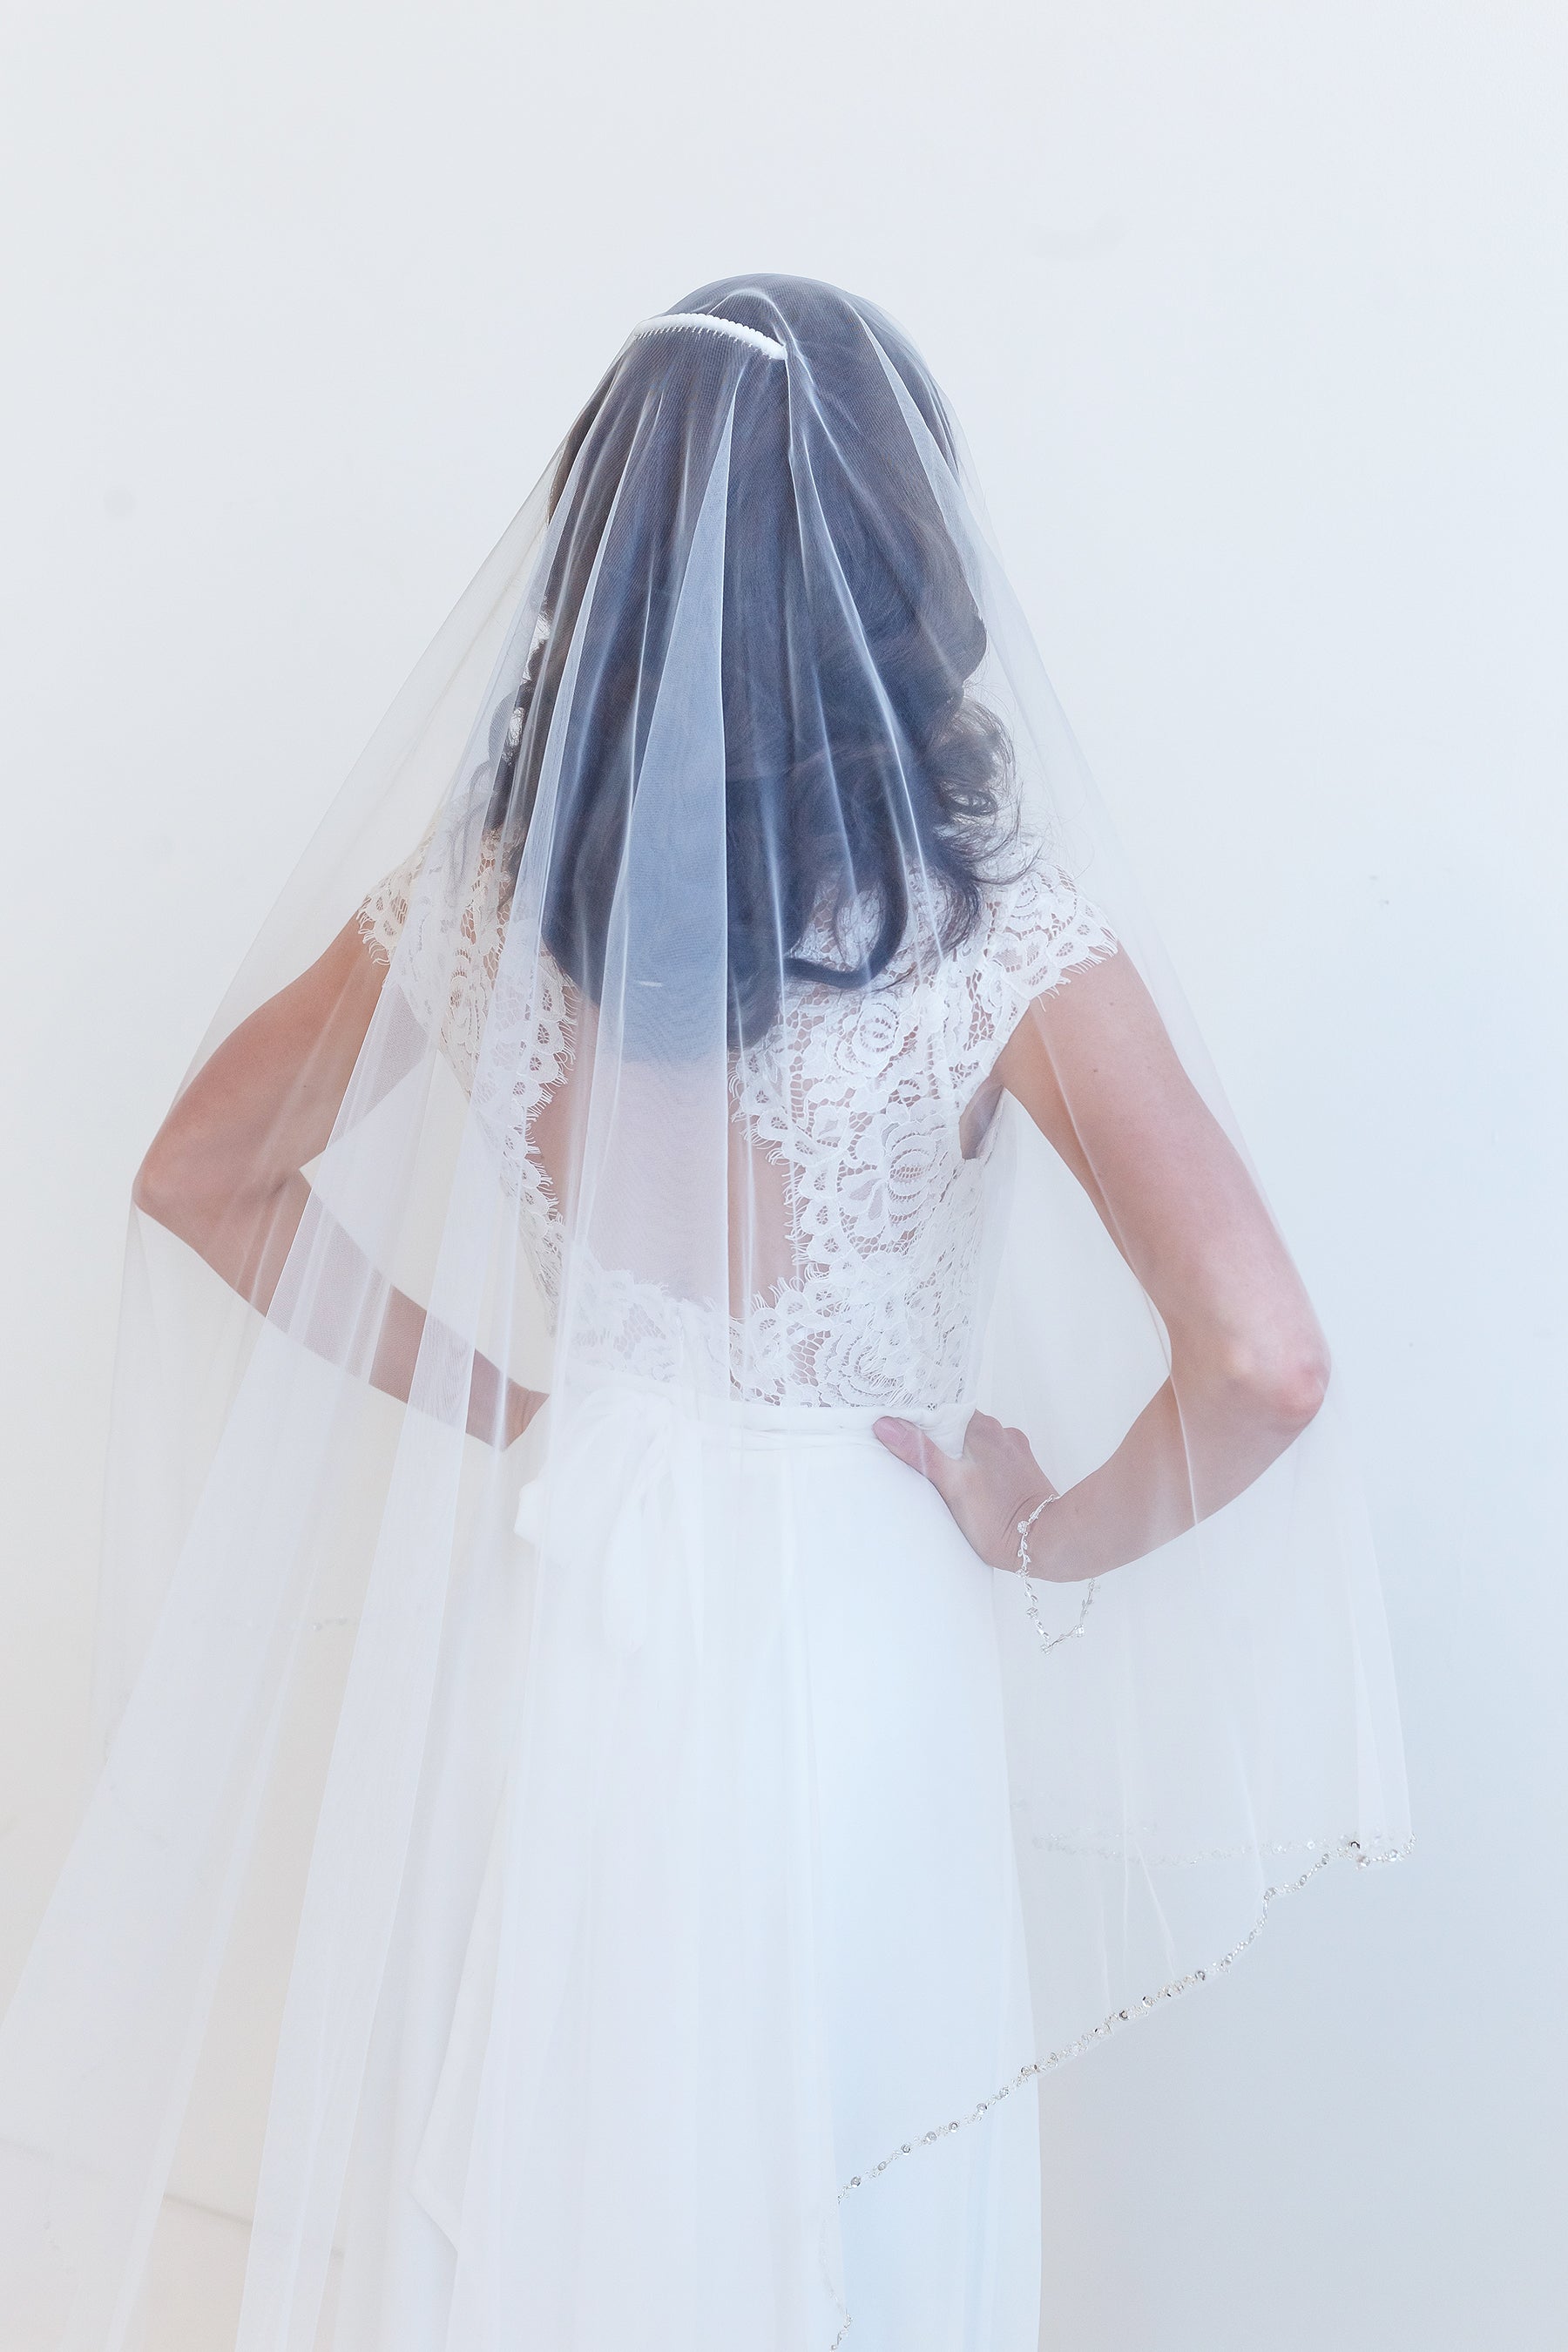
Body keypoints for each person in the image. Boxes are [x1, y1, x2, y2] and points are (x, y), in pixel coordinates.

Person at [0, 277, 1408, 2352]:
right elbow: (1267, 1360)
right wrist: (1037, 1523)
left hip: (581, 1611)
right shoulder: (988, 929)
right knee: (842, 2192)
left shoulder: (494, 893)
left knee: (575, 2172)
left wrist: (505, 1401)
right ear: (902, 562)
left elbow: (199, 1176)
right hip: (851, 1637)